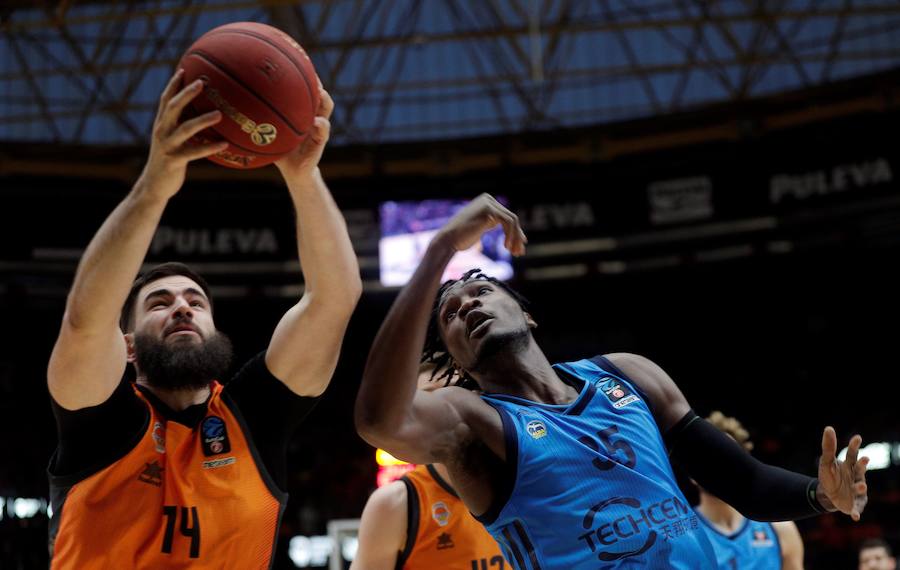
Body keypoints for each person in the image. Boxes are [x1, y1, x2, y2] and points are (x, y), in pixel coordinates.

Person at [355, 193, 870, 569]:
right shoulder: (471, 423)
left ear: (526, 315)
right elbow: (380, 418)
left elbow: (745, 484)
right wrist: (441, 248)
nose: (468, 305)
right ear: (459, 363)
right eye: (450, 315)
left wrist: (820, 495)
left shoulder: (626, 372)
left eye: (481, 291)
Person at [46, 69, 361, 568]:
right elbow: (86, 319)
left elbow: (334, 298)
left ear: (214, 328)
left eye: (196, 300)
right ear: (127, 345)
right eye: (158, 302)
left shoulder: (254, 417)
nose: (182, 306)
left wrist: (303, 176)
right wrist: (154, 187)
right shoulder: (99, 421)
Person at [352, 365, 506, 570]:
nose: (444, 408)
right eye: (429, 396)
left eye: (456, 392)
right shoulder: (396, 504)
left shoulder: (526, 481)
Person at [694, 412, 804, 570]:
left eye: (727, 454)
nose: (719, 465)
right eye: (708, 456)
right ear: (690, 472)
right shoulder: (683, 537)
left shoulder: (780, 528)